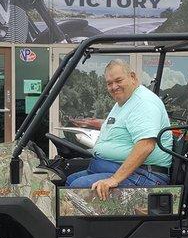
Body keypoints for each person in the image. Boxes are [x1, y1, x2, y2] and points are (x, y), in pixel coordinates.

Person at [66, 59, 173, 200]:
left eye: (118, 80)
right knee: (69, 181)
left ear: (133, 77)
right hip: (117, 168)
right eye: (109, 83)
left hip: (146, 174)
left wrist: (114, 180)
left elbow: (146, 145)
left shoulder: (143, 103)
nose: (113, 86)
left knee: (78, 187)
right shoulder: (124, 102)